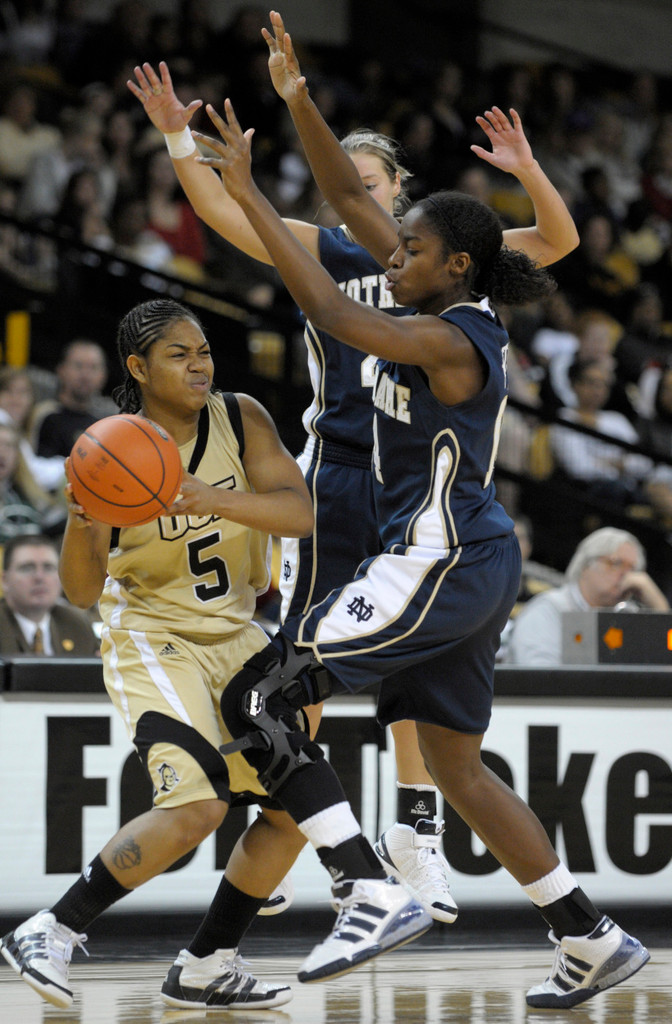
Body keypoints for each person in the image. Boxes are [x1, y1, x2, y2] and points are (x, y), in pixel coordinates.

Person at [182, 36, 649, 1005]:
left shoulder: (450, 337)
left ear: (459, 264)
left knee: (260, 699)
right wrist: (298, 99)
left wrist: (255, 199)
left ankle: (368, 887)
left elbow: (334, 312)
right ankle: (589, 934)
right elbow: (346, 200)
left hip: (438, 558)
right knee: (458, 769)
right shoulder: (432, 286)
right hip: (470, 556)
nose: (392, 260)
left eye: (411, 252)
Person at [127, 13, 579, 924]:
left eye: (375, 191)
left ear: (407, 203)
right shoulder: (359, 249)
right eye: (357, 198)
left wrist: (529, 171)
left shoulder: (448, 291)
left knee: (380, 668)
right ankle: (301, 824)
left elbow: (553, 243)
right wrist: (268, 109)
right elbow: (255, 205)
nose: (363, 207)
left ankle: (410, 839)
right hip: (343, 473)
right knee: (316, 666)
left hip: (424, 504)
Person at [0, 297, 318, 1012]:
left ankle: (207, 964)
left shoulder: (241, 417)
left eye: (203, 351)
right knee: (198, 805)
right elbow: (82, 591)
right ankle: (50, 930)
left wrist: (211, 498)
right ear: (138, 368)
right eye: (179, 355)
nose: (200, 365)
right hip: (153, 637)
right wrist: (81, 522)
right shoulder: (108, 447)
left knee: (293, 808)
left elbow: (299, 513)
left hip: (238, 633)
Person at [506, 527, 669, 666]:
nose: (627, 575)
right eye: (616, 563)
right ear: (585, 566)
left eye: (633, 569)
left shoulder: (628, 613)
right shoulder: (549, 609)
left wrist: (657, 602)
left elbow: (664, 666)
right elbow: (541, 678)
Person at [0, 532, 99, 655]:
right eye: (27, 568)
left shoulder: (76, 624)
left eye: (48, 568)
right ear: (4, 580)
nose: (39, 577)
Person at [33, 338, 116, 459]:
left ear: (103, 375)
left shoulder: (105, 425)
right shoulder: (40, 416)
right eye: (78, 366)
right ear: (61, 370)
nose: (85, 375)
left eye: (93, 367)